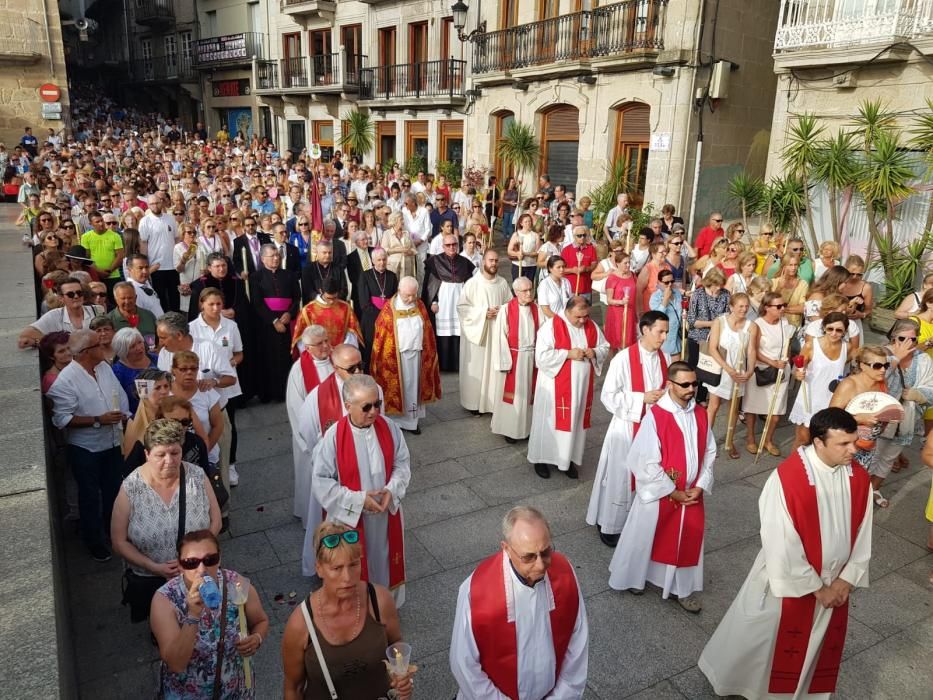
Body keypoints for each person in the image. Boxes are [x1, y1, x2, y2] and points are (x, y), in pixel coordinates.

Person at [698, 408, 872, 698]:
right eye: (844, 444)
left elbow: (865, 530)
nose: (853, 450)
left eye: (854, 441)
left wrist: (848, 578)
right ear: (818, 443)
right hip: (791, 584)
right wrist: (819, 589)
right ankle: (741, 686)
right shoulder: (787, 479)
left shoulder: (858, 477)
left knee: (812, 646)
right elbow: (780, 542)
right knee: (762, 642)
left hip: (835, 583)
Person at [450, 506, 588, 700]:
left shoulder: (565, 574)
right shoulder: (477, 590)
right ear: (506, 548)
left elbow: (577, 643)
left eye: (546, 551)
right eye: (529, 556)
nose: (540, 565)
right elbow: (464, 663)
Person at [608, 362, 715, 611]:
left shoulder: (700, 413)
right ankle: (637, 576)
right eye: (685, 384)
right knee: (646, 536)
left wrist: (700, 484)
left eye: (694, 384)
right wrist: (671, 491)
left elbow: (710, 451)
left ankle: (682, 588)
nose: (691, 389)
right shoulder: (656, 416)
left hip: (690, 493)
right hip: (660, 492)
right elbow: (642, 460)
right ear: (670, 385)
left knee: (687, 538)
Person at [309, 375, 412, 605]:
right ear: (348, 407)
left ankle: (386, 606)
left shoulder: (390, 427)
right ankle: (358, 609)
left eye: (377, 404)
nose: (374, 412)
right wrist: (359, 500)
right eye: (366, 407)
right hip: (351, 519)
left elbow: (402, 463)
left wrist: (391, 491)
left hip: (387, 515)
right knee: (357, 564)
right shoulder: (334, 437)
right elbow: (321, 481)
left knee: (384, 563)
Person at [283, 522, 413, 700]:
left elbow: (395, 641)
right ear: (319, 568)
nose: (348, 578)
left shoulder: (380, 600)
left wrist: (401, 673)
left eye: (353, 565)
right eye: (337, 568)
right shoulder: (300, 624)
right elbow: (294, 688)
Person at [111, 419, 221, 622]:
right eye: (161, 455)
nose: (169, 461)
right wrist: (153, 566)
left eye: (175, 453)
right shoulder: (131, 488)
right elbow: (119, 541)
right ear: (146, 454)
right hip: (150, 579)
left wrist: (197, 558)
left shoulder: (197, 476)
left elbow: (216, 520)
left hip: (196, 574)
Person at [151, 529, 270, 698]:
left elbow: (261, 620)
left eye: (210, 559)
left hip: (235, 687)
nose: (202, 569)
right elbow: (176, 664)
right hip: (189, 692)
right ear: (179, 565)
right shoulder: (165, 600)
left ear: (219, 558)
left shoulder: (236, 584)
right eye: (191, 562)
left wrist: (257, 638)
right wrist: (192, 614)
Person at [586, 310, 670, 547]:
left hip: (653, 430)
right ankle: (611, 524)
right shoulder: (623, 359)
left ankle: (639, 523)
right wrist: (641, 398)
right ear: (645, 330)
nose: (664, 337)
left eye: (666, 332)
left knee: (647, 476)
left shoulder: (665, 359)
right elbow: (608, 396)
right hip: (626, 426)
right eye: (660, 331)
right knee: (620, 477)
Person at [47, 329, 130, 561]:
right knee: (90, 497)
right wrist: (97, 420)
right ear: (85, 352)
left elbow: (119, 396)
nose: (105, 345)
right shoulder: (65, 382)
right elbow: (62, 419)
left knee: (114, 491)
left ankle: (114, 533)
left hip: (112, 442)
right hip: (87, 449)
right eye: (98, 344)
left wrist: (123, 414)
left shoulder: (104, 368)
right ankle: (94, 541)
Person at [527, 295, 609, 479]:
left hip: (580, 388)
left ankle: (568, 460)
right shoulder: (550, 327)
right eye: (577, 317)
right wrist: (567, 354)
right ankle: (541, 459)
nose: (582, 321)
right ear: (567, 310)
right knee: (549, 424)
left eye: (585, 316)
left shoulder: (591, 326)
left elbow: (605, 346)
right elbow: (541, 357)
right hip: (553, 387)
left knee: (575, 423)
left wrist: (594, 351)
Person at [295, 344, 366, 533]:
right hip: (335, 472)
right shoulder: (317, 398)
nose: (358, 372)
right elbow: (307, 433)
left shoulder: (371, 389)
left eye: (361, 365)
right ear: (336, 368)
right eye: (352, 369)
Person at [370, 276, 442, 434]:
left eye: (413, 295)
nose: (410, 299)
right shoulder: (390, 310)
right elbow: (381, 335)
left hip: (417, 355)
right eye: (407, 295)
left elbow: (428, 329)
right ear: (399, 291)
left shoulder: (420, 304)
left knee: (414, 388)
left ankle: (412, 421)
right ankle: (396, 421)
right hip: (397, 358)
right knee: (399, 390)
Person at [457, 250, 513, 415]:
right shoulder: (473, 284)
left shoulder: (502, 283)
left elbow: (510, 306)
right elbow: (462, 308)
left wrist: (500, 310)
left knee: (492, 369)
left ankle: (492, 403)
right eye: (490, 260)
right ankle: (473, 402)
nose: (494, 263)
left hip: (496, 333)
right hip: (478, 334)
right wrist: (483, 313)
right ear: (483, 262)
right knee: (478, 367)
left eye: (496, 260)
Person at [489, 277, 542, 444]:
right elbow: (500, 337)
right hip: (514, 358)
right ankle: (510, 429)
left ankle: (528, 428)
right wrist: (504, 362)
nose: (529, 293)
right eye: (525, 291)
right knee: (513, 397)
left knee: (529, 396)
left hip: (532, 357)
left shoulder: (537, 309)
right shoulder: (506, 310)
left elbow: (543, 335)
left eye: (530, 290)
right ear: (516, 292)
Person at [743, 292, 794, 457]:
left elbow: (788, 346)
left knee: (777, 411)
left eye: (783, 305)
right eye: (778, 306)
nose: (782, 309)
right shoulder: (757, 324)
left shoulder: (785, 322)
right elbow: (753, 351)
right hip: (761, 370)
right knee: (752, 407)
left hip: (780, 370)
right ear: (767, 307)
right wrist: (773, 362)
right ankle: (750, 438)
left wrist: (786, 363)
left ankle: (768, 440)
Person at [789, 312, 850, 449]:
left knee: (821, 442)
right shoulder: (811, 345)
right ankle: (792, 468)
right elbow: (796, 369)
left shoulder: (848, 348)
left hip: (832, 400)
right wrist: (798, 374)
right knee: (803, 439)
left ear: (844, 331)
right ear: (824, 328)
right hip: (810, 397)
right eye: (830, 329)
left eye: (839, 330)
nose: (834, 333)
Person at [704, 293, 754, 458]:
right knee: (714, 406)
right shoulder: (720, 322)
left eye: (746, 306)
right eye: (740, 306)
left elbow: (752, 350)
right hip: (721, 369)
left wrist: (750, 370)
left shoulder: (751, 326)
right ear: (731, 307)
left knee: (734, 408)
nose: (744, 309)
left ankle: (729, 441)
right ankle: (705, 441)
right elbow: (713, 348)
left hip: (739, 372)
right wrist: (728, 369)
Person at [829, 345, 892, 473]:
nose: (883, 370)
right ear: (862, 365)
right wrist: (859, 419)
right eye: (877, 366)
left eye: (886, 366)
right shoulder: (849, 385)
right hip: (844, 447)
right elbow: (830, 418)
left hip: (868, 448)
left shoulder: (882, 384)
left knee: (855, 487)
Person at [251, 243, 301, 402]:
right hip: (267, 324)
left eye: (277, 255)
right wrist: (274, 320)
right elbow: (257, 302)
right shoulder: (256, 277)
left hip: (287, 321)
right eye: (272, 256)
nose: (276, 258)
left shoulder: (289, 275)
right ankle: (270, 393)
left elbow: (297, 297)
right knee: (269, 358)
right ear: (263, 258)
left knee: (286, 358)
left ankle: (287, 392)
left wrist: (289, 313)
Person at [422, 233, 475, 371]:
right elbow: (430, 285)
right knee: (443, 333)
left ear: (458, 245)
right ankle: (444, 365)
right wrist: (433, 301)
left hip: (459, 301)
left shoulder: (465, 263)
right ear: (443, 246)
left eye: (454, 244)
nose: (451, 247)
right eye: (448, 245)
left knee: (458, 332)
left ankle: (458, 365)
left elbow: (470, 285)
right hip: (442, 303)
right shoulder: (434, 262)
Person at [19, 276, 103, 348]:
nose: (76, 296)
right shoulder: (54, 315)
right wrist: (56, 343)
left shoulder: (98, 310)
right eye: (70, 294)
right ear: (61, 298)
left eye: (79, 292)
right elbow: (26, 333)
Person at [686, 268, 730, 405]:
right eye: (716, 285)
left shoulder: (726, 295)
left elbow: (727, 316)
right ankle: (689, 394)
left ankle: (701, 397)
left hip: (715, 338)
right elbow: (692, 320)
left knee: (709, 368)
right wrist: (714, 323)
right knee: (694, 367)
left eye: (720, 285)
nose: (718, 288)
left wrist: (715, 326)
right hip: (697, 337)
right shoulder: (698, 294)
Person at [292, 277, 363, 353]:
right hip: (317, 355)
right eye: (328, 298)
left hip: (341, 353)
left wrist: (344, 350)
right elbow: (302, 337)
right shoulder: (308, 310)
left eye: (335, 298)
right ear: (320, 291)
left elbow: (351, 333)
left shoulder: (346, 308)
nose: (332, 301)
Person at [356, 248, 398, 366]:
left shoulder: (392, 276)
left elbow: (395, 298)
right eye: (379, 260)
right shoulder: (365, 275)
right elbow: (364, 301)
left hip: (388, 318)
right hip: (370, 318)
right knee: (371, 347)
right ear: (373, 261)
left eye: (384, 259)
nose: (382, 263)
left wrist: (387, 314)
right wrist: (379, 315)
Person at [140, 194, 180, 312]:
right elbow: (143, 243)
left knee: (175, 297)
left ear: (161, 203)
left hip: (173, 265)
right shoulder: (145, 221)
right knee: (160, 298)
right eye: (152, 204)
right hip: (156, 266)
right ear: (148, 205)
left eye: (157, 203)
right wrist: (146, 265)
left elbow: (176, 238)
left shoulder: (170, 218)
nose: (155, 206)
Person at [111, 327, 159, 414]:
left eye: (140, 342)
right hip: (137, 417)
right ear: (123, 351)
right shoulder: (117, 372)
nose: (139, 348)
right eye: (132, 346)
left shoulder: (156, 359)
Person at [603, 251, 637, 353]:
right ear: (617, 263)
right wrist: (621, 302)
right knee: (615, 342)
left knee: (628, 342)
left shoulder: (633, 275)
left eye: (629, 262)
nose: (628, 265)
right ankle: (614, 365)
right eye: (625, 263)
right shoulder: (612, 278)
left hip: (630, 312)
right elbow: (609, 300)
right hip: (616, 314)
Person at [649, 268, 683, 359]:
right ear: (659, 282)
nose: (670, 284)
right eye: (666, 282)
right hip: (664, 338)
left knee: (675, 368)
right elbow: (657, 316)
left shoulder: (677, 293)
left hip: (676, 335)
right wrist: (665, 300)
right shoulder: (655, 297)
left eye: (672, 281)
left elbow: (680, 310)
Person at [301, 240, 348, 304]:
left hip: (335, 305)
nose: (328, 255)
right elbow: (308, 291)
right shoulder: (308, 269)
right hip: (315, 307)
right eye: (324, 252)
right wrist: (321, 298)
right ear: (317, 253)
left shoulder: (338, 268)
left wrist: (332, 298)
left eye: (330, 252)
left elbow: (344, 290)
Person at [771, 254, 809, 328]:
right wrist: (779, 288)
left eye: (796, 265)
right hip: (776, 325)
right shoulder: (774, 282)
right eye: (790, 265)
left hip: (794, 326)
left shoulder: (803, 284)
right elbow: (768, 304)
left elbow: (802, 308)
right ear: (783, 266)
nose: (793, 268)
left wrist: (779, 308)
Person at [561, 226, 597, 301]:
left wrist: (587, 268)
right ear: (574, 237)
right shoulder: (566, 250)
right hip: (571, 288)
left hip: (586, 287)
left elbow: (594, 264)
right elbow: (560, 269)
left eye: (584, 235)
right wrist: (572, 270)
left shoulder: (591, 249)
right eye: (579, 236)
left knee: (585, 310)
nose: (582, 238)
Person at [125, 253, 165, 318]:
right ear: (129, 270)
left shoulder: (144, 282)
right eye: (140, 268)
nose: (145, 271)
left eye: (146, 267)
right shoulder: (131, 291)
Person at [508, 213, 540, 282]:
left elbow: (537, 252)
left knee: (528, 285)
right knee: (517, 286)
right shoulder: (516, 234)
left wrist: (525, 254)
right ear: (521, 223)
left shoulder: (535, 235)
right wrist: (517, 254)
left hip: (531, 265)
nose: (528, 223)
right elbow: (509, 250)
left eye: (529, 221)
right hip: (518, 265)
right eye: (526, 222)